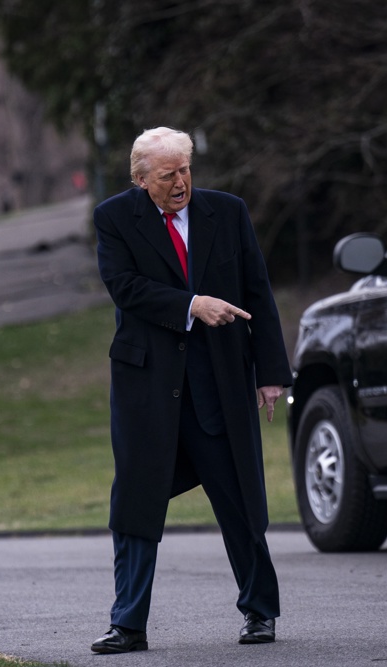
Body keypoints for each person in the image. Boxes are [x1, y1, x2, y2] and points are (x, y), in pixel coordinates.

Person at [90, 127, 292, 653]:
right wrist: (192, 304)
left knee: (239, 500)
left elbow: (257, 290)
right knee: (136, 505)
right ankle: (128, 624)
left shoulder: (227, 211)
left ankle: (260, 612)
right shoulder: (114, 218)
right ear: (141, 180)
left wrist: (271, 372)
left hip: (217, 386)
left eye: (185, 170)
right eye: (167, 175)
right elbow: (124, 287)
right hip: (148, 390)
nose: (181, 183)